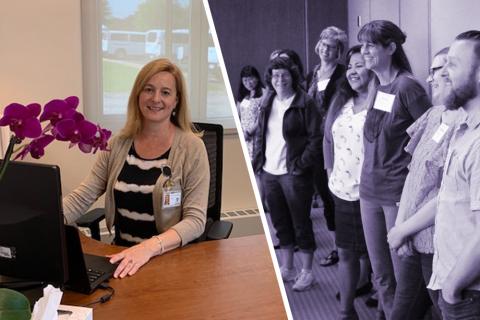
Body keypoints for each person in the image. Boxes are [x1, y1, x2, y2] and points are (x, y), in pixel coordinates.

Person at [63, 58, 210, 279]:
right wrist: (42, 221)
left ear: (176, 101)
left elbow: (196, 220)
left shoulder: (192, 148)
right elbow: (83, 196)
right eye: (148, 89)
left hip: (169, 260)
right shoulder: (118, 143)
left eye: (166, 92)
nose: (156, 99)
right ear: (138, 95)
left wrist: (149, 248)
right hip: (123, 258)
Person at [389, 30, 480, 320]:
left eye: (451, 65)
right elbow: (446, 196)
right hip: (453, 278)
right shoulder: (465, 130)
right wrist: (402, 228)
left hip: (467, 290)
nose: (441, 75)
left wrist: (452, 289)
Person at [358, 20, 431, 319]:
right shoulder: (377, 86)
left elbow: (430, 141)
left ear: (390, 47)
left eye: (370, 45)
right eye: (362, 44)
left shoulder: (408, 86)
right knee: (381, 277)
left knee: (405, 282)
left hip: (397, 195)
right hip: (369, 192)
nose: (363, 51)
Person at [252, 56, 322, 291]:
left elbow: (316, 138)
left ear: (293, 76)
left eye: (284, 75)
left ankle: (307, 272)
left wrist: (301, 164)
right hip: (270, 172)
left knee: (301, 223)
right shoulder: (267, 100)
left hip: (294, 173)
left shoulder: (305, 102)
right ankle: (288, 267)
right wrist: (258, 163)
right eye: (275, 75)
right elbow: (262, 135)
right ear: (269, 79)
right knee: (280, 223)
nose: (279, 79)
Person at [323, 45, 373, 319]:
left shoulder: (381, 101)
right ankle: (346, 311)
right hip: (341, 189)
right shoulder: (341, 101)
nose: (353, 71)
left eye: (360, 65)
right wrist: (330, 171)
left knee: (376, 256)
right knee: (346, 252)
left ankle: (372, 290)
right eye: (350, 66)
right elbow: (327, 138)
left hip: (371, 192)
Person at [307, 26, 348, 267]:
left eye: (331, 46)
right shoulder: (313, 73)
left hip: (337, 143)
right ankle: (336, 246)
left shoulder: (343, 75)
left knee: (336, 196)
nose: (325, 48)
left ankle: (343, 249)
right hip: (315, 143)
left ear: (339, 51)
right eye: (323, 43)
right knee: (324, 194)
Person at [236, 65, 264, 160]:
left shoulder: (264, 94)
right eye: (245, 81)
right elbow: (238, 115)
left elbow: (261, 118)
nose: (248, 83)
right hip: (242, 135)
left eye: (251, 79)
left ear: (257, 78)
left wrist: (248, 133)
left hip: (255, 134)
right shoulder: (243, 95)